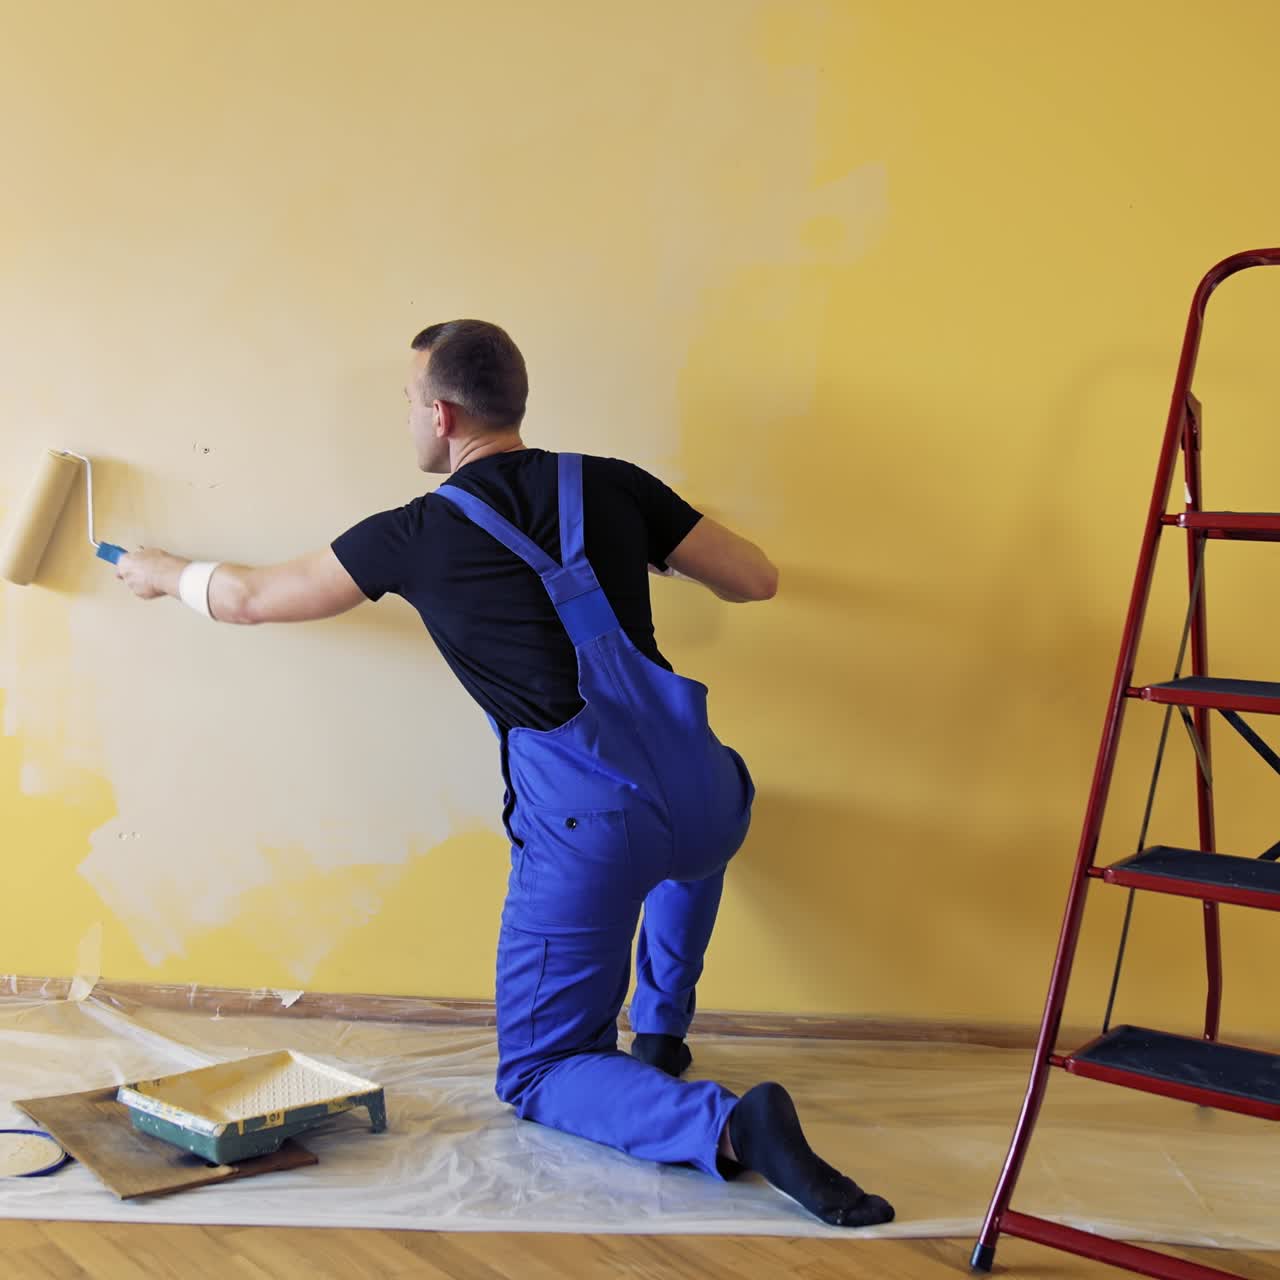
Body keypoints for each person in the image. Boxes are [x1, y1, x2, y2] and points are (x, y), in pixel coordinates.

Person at [116, 320, 894, 1227]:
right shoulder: (613, 483)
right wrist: (646, 550)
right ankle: (664, 1031)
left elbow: (250, 599)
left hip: (590, 823)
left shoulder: (411, 534)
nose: (406, 416)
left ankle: (731, 1127)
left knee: (540, 1070)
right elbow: (754, 580)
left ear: (441, 415)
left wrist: (162, 571)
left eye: (407, 402)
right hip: (708, 796)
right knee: (696, 833)